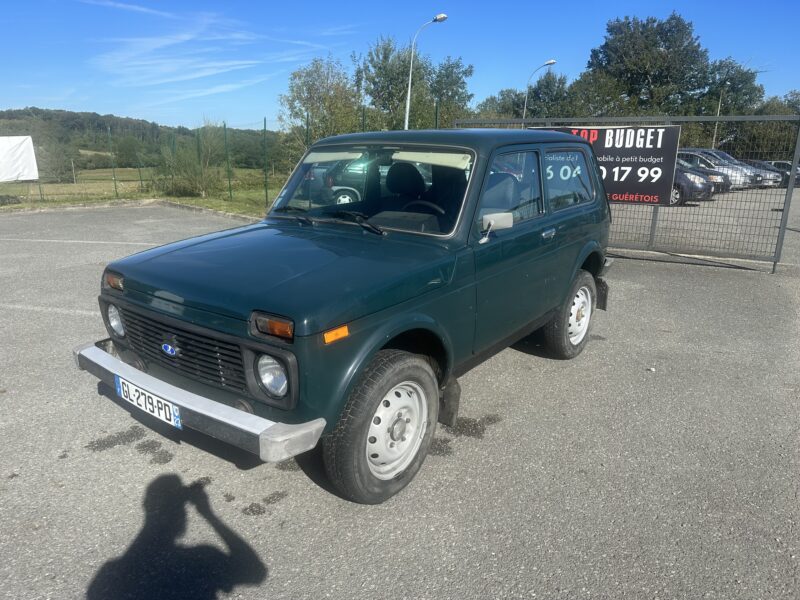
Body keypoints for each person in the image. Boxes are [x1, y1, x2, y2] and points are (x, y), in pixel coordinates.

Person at [87, 474, 266, 599]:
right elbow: (255, 572)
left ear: (146, 506)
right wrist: (208, 514)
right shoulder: (203, 556)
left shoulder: (107, 576)